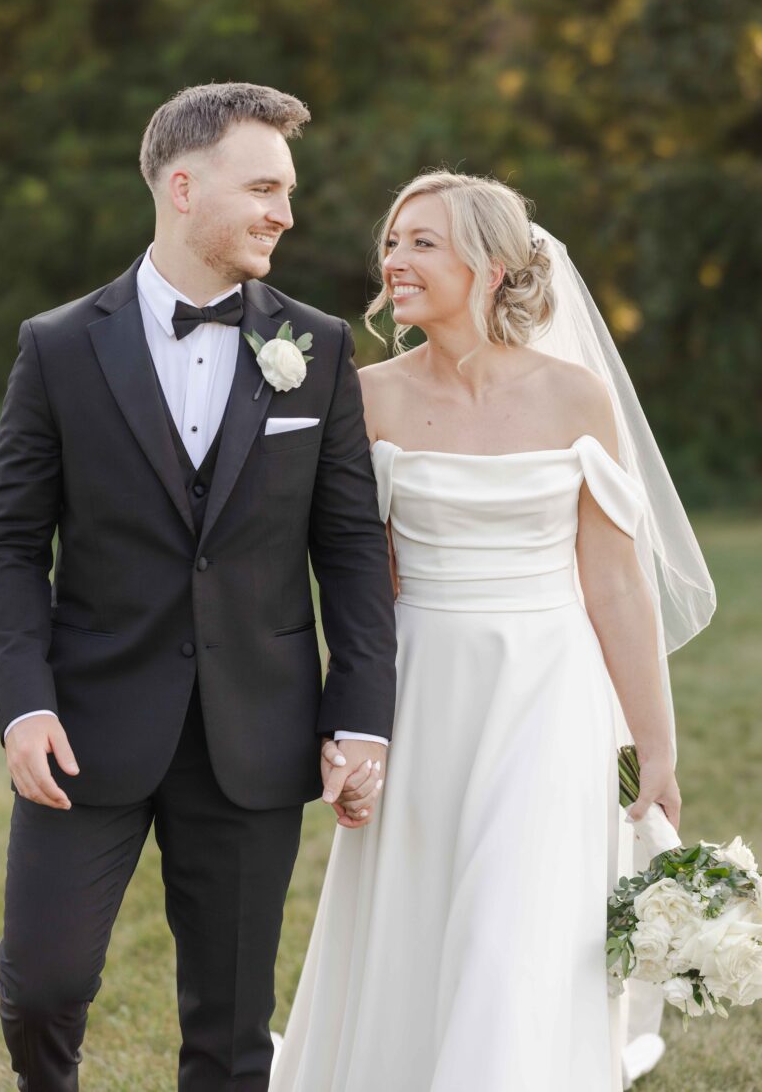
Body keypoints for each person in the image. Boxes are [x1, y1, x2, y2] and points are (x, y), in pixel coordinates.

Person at [270, 171, 715, 1092]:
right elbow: (366, 584)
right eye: (392, 241)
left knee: (519, 934)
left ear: (496, 265)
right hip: (426, 690)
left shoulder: (576, 398)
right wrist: (354, 730)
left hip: (551, 698)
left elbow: (618, 587)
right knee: (422, 923)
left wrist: (655, 748)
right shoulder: (368, 396)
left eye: (422, 242)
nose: (394, 259)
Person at [0, 82, 396, 1092]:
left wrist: (361, 715)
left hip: (254, 730)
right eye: (263, 185)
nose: (285, 213)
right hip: (84, 718)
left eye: (288, 191)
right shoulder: (57, 346)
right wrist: (23, 701)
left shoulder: (321, 344)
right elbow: (8, 540)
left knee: (229, 1028)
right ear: (182, 185)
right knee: (42, 983)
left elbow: (349, 547)